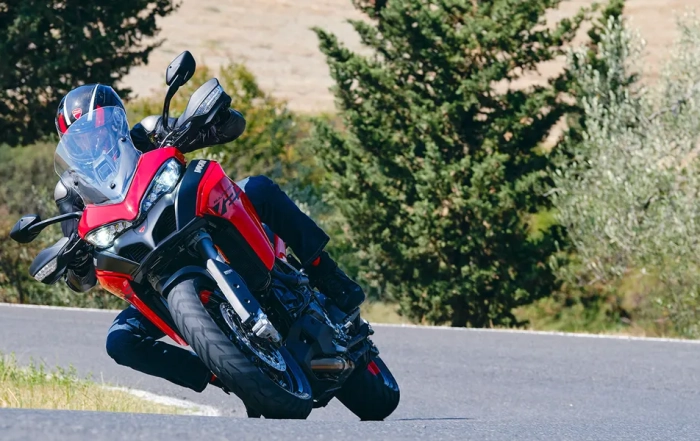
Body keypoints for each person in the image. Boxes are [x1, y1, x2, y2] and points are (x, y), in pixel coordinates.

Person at [53, 83, 364, 393]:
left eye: (95, 129)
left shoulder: (144, 134)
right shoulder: (69, 191)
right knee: (121, 341)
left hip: (188, 220)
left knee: (258, 188)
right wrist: (76, 261)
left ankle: (328, 275)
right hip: (146, 268)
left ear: (115, 121)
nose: (91, 140)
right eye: (80, 137)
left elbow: (230, 126)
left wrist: (208, 121)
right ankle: (225, 373)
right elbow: (82, 278)